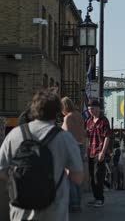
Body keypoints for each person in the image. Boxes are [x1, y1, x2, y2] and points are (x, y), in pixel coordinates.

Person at [0, 89, 84, 221]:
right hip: (53, 213)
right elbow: (78, 178)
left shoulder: (14, 134)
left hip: (20, 212)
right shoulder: (64, 138)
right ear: (57, 112)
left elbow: (1, 171)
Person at [61, 97, 87, 213]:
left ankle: (74, 203)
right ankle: (78, 202)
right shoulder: (79, 115)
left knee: (70, 176)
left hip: (71, 147)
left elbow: (66, 136)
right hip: (81, 147)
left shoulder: (68, 118)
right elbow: (83, 133)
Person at [86, 100, 111, 207]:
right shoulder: (89, 121)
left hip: (99, 152)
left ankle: (100, 199)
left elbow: (107, 137)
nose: (90, 111)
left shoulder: (103, 120)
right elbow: (86, 137)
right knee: (92, 176)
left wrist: (103, 152)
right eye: (89, 109)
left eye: (92, 108)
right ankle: (95, 197)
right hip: (90, 152)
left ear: (98, 108)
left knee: (98, 176)